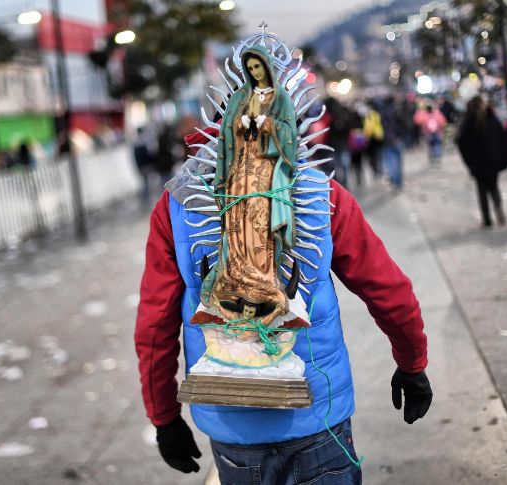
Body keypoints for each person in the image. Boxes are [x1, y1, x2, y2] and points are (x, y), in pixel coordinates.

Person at [135, 40, 432, 485]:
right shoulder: (322, 194)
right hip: (319, 414)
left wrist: (164, 415)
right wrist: (412, 363)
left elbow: (155, 325)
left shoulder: (176, 205)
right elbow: (387, 288)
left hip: (233, 422)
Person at [456, 96, 507, 228]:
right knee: (494, 187)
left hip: (477, 163)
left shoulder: (468, 122)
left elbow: (460, 142)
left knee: (482, 191)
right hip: (493, 160)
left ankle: (487, 220)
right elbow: (503, 137)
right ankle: (498, 207)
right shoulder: (492, 118)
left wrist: (468, 160)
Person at [132, 126, 154, 207]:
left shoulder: (137, 143)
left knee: (145, 184)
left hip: (142, 167)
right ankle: (145, 201)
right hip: (144, 167)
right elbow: (144, 157)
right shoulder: (141, 143)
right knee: (145, 185)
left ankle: (145, 201)